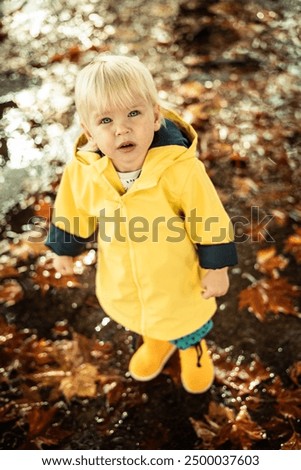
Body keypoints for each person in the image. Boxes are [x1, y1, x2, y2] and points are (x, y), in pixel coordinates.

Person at [45, 54, 237, 394]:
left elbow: (209, 218)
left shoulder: (178, 169)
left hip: (175, 275)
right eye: (106, 120)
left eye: (134, 113)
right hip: (123, 273)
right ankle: (156, 342)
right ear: (89, 131)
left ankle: (193, 350)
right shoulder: (84, 171)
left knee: (182, 318)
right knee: (143, 315)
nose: (122, 128)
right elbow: (73, 208)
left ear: (155, 117)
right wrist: (65, 248)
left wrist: (216, 267)